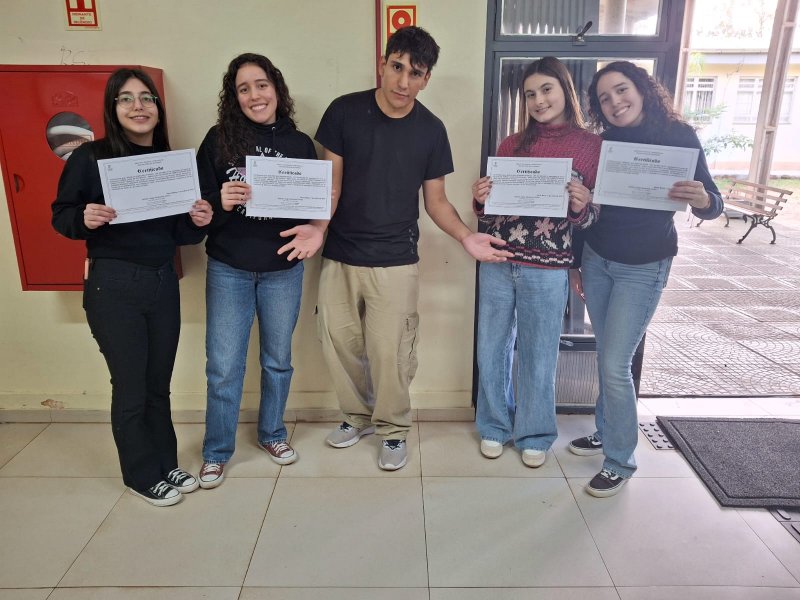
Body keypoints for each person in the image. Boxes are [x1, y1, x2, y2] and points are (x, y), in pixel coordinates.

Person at [310, 26, 512, 470]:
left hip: (396, 260)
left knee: (391, 353)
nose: (403, 82)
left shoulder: (431, 130)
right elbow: (330, 185)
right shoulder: (344, 111)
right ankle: (356, 417)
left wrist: (466, 236)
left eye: (415, 73)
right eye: (397, 67)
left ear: (426, 79)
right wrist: (318, 230)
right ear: (382, 64)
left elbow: (436, 202)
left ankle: (393, 429)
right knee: (339, 344)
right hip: (340, 254)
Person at [51, 68, 212, 507]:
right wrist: (82, 217)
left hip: (161, 282)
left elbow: (180, 233)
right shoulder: (91, 158)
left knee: (158, 384)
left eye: (146, 98)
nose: (138, 106)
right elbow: (61, 215)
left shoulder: (170, 163)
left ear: (158, 108)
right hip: (114, 285)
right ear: (113, 108)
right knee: (131, 387)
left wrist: (199, 221)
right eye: (126, 98)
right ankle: (140, 474)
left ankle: (165, 462)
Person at [569, 61, 723, 497]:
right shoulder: (604, 144)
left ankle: (620, 460)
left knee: (616, 363)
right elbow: (587, 212)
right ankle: (607, 430)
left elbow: (713, 202)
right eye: (604, 98)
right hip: (598, 259)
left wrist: (703, 198)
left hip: (644, 266)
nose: (615, 102)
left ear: (641, 88)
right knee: (607, 354)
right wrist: (577, 264)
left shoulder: (679, 137)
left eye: (621, 90)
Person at [196, 53, 320, 489]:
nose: (254, 95)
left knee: (278, 361)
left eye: (261, 85)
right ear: (235, 97)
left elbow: (313, 208)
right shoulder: (218, 139)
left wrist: (312, 224)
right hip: (228, 268)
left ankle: (272, 433)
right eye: (244, 89)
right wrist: (220, 202)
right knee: (223, 366)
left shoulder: (300, 144)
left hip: (282, 269)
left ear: (276, 89)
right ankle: (216, 451)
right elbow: (197, 209)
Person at [471, 57, 601, 467]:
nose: (539, 100)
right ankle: (494, 426)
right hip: (498, 259)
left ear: (565, 90)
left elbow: (595, 218)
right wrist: (481, 199)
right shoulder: (511, 145)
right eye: (530, 94)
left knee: (539, 355)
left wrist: (583, 205)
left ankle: (535, 433)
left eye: (547, 89)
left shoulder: (591, 147)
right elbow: (493, 214)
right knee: (491, 349)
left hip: (548, 269)